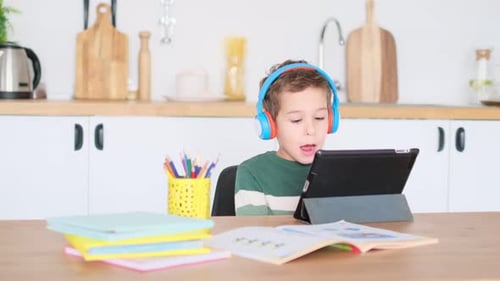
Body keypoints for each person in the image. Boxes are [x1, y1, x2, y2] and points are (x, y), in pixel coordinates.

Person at [234, 59, 339, 216]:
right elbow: (255, 235)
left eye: (319, 118)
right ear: (270, 124)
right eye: (296, 120)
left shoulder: (339, 172)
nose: (310, 130)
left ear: (332, 120)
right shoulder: (252, 173)